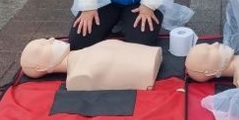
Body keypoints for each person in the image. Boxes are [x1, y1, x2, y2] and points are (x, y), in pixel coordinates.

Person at [20, 37, 162, 91]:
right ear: (41, 67)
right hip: (148, 70)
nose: (51, 39)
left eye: (45, 39)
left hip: (152, 56)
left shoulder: (84, 53)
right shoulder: (78, 77)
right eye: (42, 47)